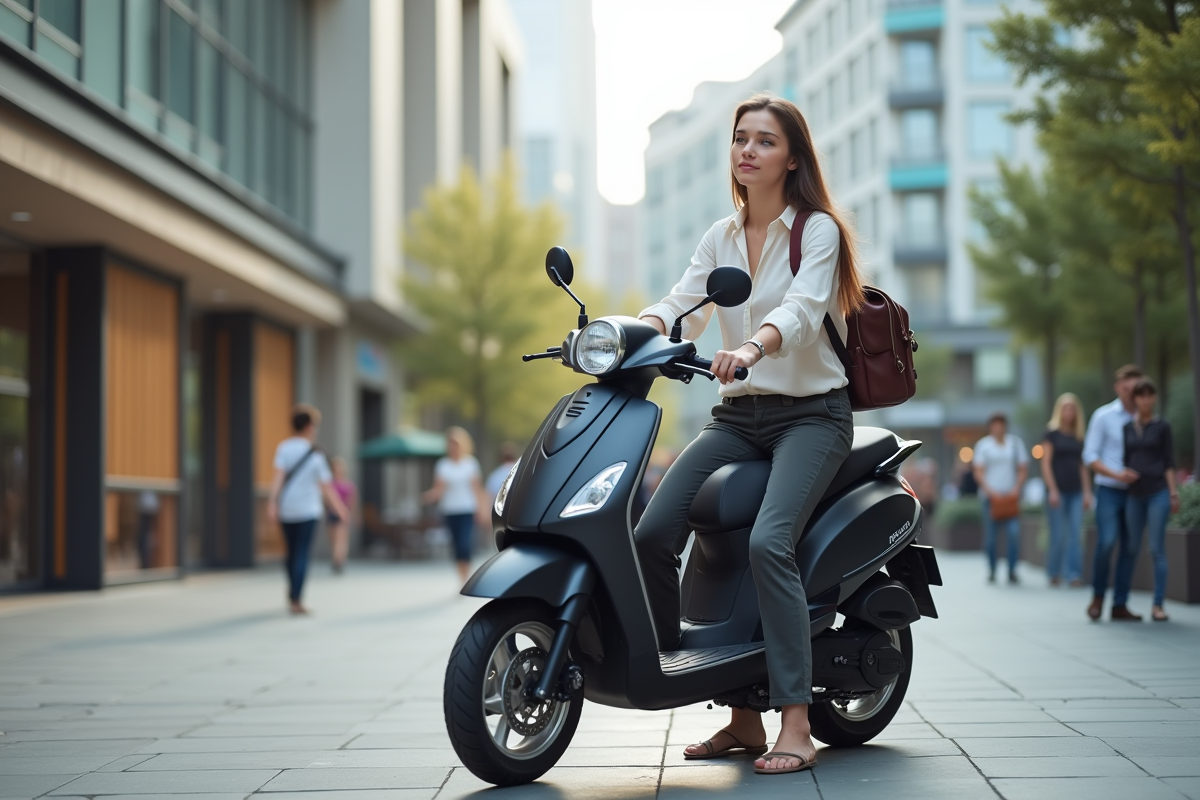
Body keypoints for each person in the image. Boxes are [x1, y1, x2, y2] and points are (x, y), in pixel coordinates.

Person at [635, 94, 863, 776]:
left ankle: (796, 723)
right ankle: (723, 702)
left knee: (768, 541)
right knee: (653, 533)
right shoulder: (721, 235)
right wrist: (626, 333)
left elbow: (801, 309)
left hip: (811, 415)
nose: (747, 150)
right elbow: (684, 304)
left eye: (764, 141)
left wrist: (755, 348)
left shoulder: (815, 230)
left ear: (792, 157)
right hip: (737, 418)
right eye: (740, 139)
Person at [267, 404, 349, 615]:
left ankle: (293, 591)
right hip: (307, 511)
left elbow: (278, 478)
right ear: (310, 426)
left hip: (287, 509)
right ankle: (297, 598)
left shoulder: (284, 448)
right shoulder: (315, 454)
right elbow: (326, 487)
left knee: (291, 551)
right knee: (301, 552)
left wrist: (272, 503)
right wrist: (340, 508)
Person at [1083, 364, 1145, 621]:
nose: (1131, 393)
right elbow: (1089, 455)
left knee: (1131, 547)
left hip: (1137, 492)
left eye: (1136, 388)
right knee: (1107, 542)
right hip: (1109, 489)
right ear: (1118, 388)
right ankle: (1098, 596)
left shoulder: (1145, 417)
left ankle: (1120, 603)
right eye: (1127, 388)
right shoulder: (1103, 416)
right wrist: (1116, 474)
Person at [1123, 379, 1179, 622]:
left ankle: (1158, 604)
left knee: (1156, 548)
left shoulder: (1162, 426)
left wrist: (1173, 492)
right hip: (1133, 494)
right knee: (1131, 547)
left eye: (1149, 395)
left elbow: (1169, 461)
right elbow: (1125, 459)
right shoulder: (1128, 427)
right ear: (1134, 399)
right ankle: (1121, 603)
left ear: (1154, 398)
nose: (1145, 399)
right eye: (1140, 395)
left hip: (1157, 491)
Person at [423, 427, 487, 584]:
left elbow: (477, 490)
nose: (453, 447)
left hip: (467, 509)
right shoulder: (443, 465)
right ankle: (462, 578)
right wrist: (429, 496)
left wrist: (482, 510)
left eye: (456, 444)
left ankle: (466, 577)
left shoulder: (471, 464)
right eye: (451, 444)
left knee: (465, 544)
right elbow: (439, 489)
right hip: (450, 510)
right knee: (456, 545)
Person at [1041, 393, 1092, 587]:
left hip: (1076, 491)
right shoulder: (1051, 433)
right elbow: (1045, 464)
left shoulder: (1078, 436)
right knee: (1058, 534)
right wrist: (1052, 489)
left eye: (1072, 408)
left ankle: (1074, 574)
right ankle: (1054, 572)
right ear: (1059, 410)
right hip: (1058, 491)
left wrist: (1087, 492)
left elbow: (1082, 466)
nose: (1069, 412)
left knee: (1075, 533)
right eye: (1066, 407)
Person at [972, 412, 1028, 584]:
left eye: (1001, 424)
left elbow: (1022, 468)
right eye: (995, 425)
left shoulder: (1015, 444)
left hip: (1010, 497)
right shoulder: (983, 446)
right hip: (990, 499)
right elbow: (979, 472)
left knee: (1014, 533)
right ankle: (992, 569)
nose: (998, 428)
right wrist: (991, 492)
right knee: (991, 537)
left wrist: (1016, 488)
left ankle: (1012, 570)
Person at [327, 457, 356, 574]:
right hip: (331, 514)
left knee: (341, 540)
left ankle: (338, 561)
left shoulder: (347, 484)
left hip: (344, 514)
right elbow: (326, 499)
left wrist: (352, 515)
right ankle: (338, 559)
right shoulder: (329, 483)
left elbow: (352, 501)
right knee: (334, 541)